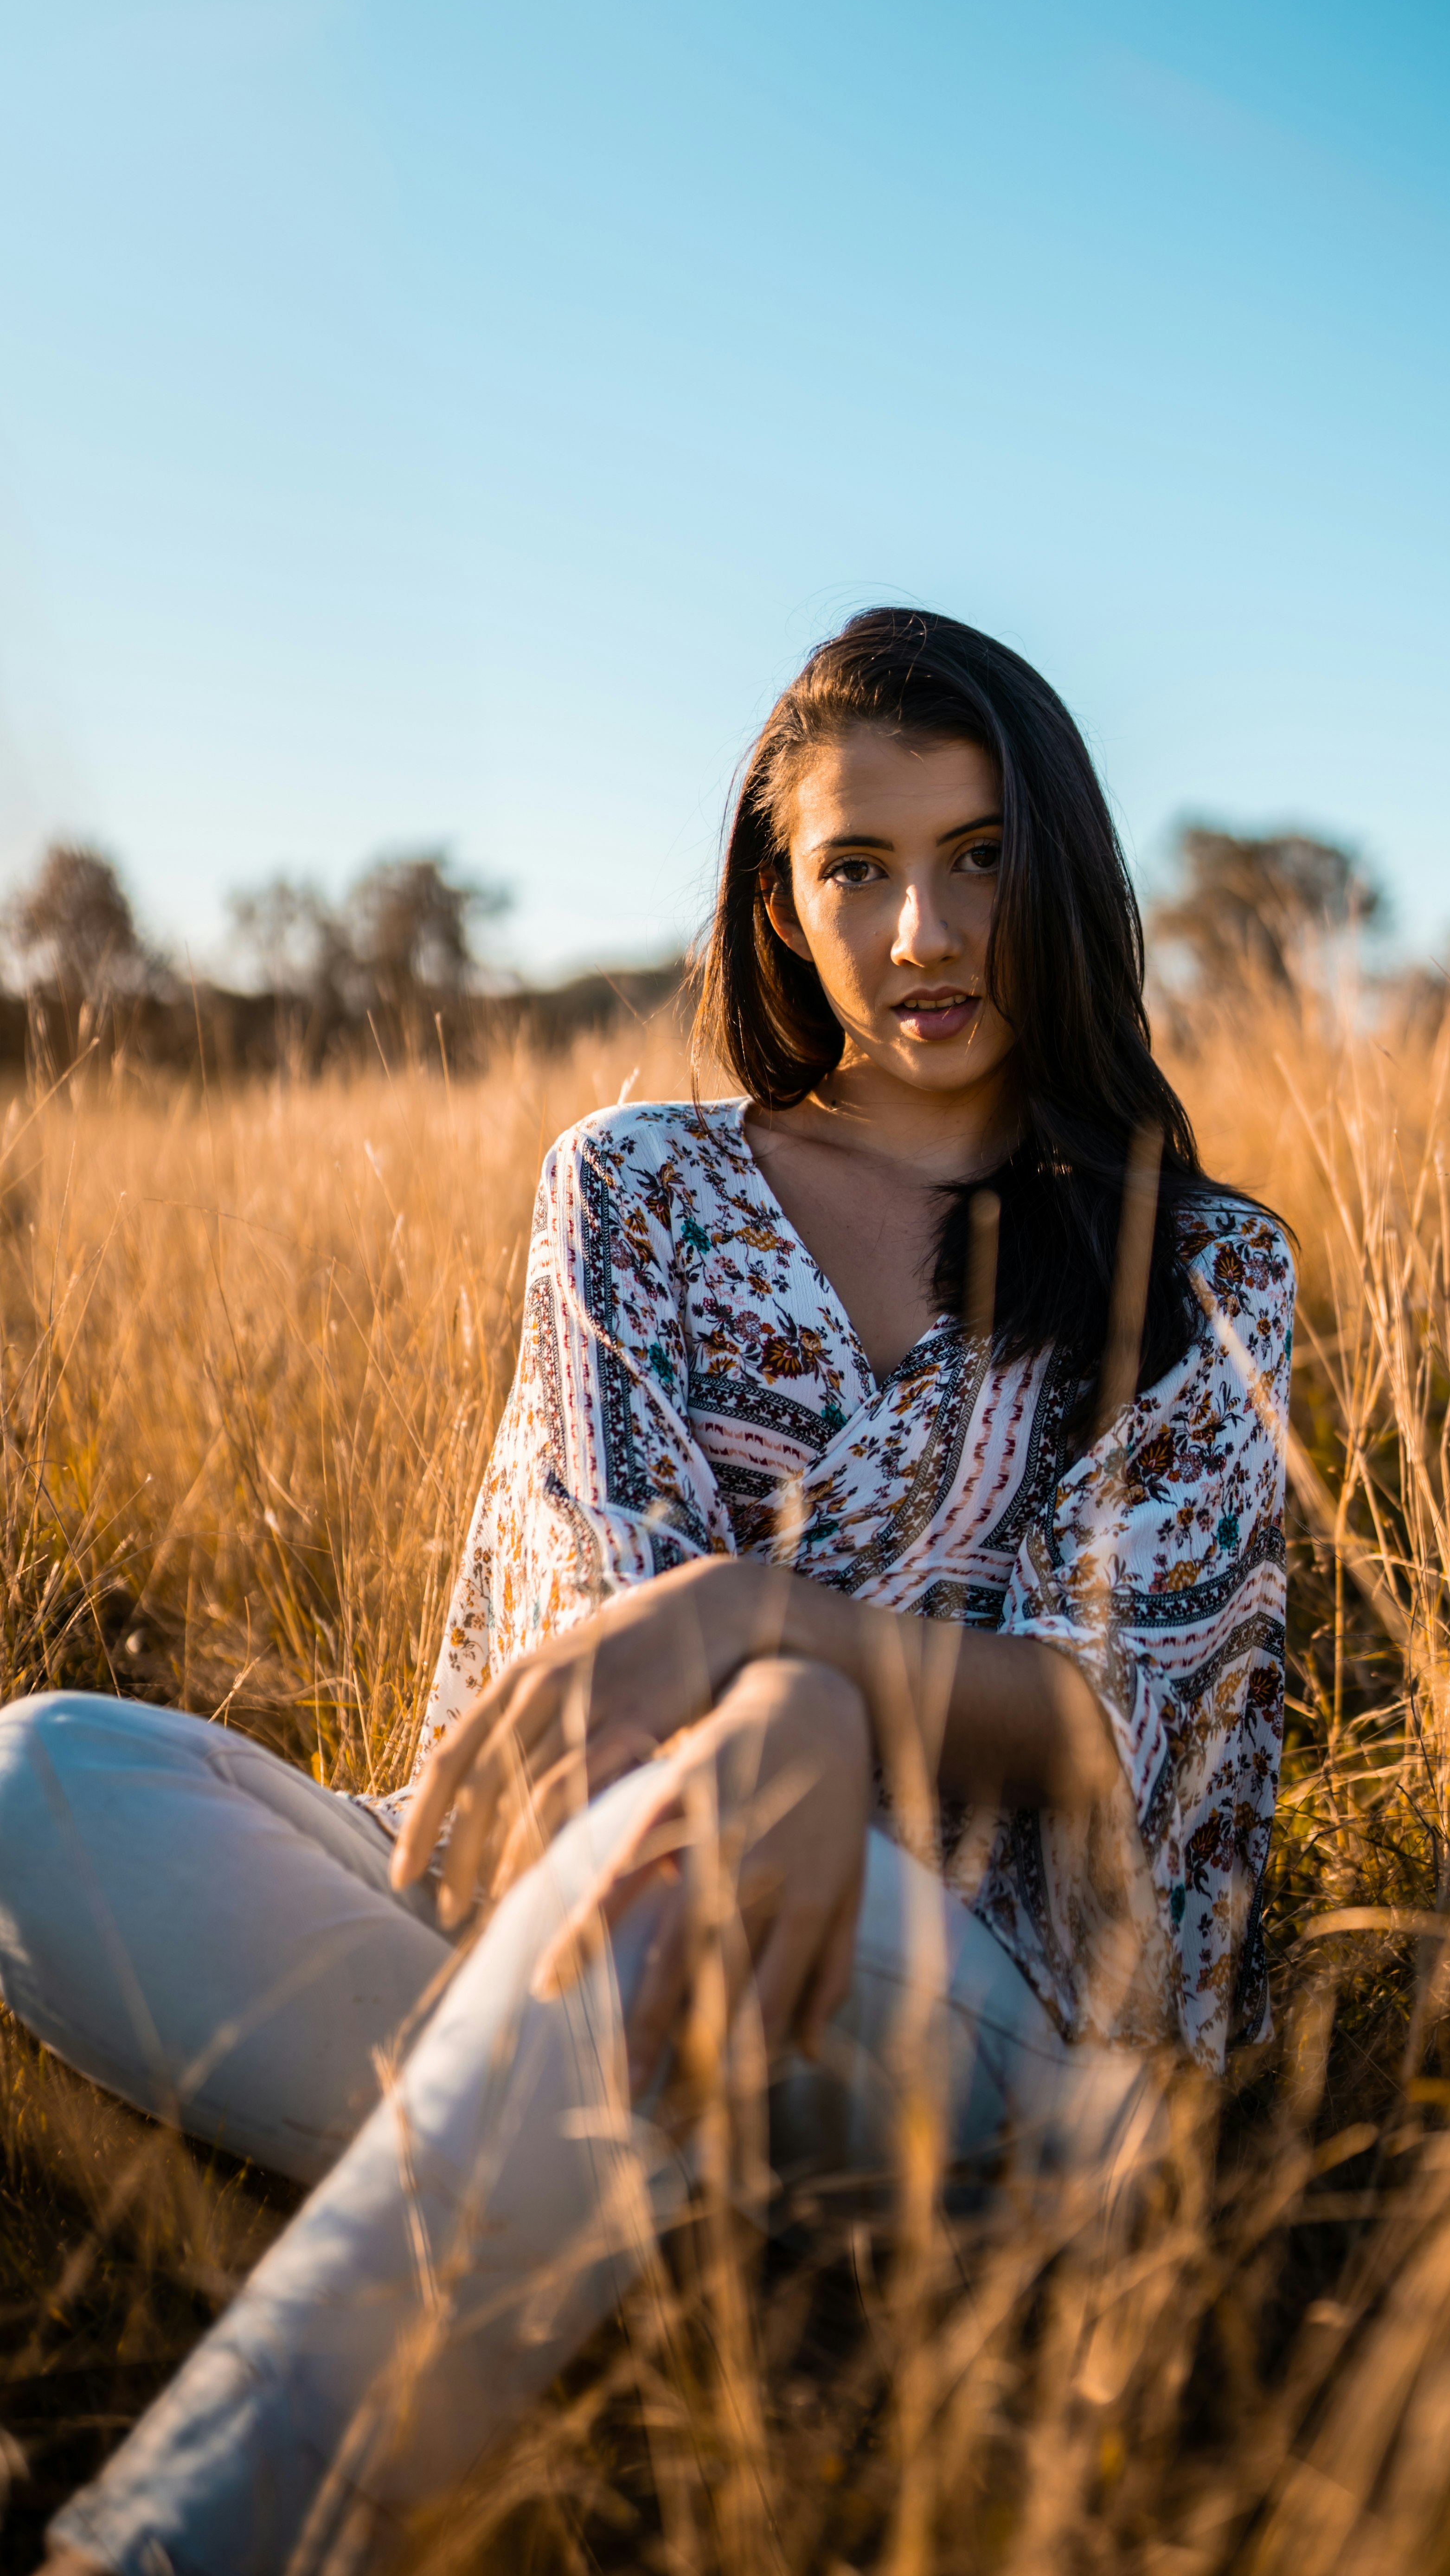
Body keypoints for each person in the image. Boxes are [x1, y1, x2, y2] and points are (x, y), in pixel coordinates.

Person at [6, 609, 1294, 2576]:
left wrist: (794, 1657)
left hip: (971, 2007)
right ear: (779, 904)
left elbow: (1135, 1717)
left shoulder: (1201, 1266)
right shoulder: (639, 1188)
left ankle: (182, 2535)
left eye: (979, 857)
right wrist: (752, 1687)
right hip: (579, 1895)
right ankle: (635, 2192)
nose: (925, 933)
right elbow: (603, 1610)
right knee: (41, 1780)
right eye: (856, 866)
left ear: (1064, 879)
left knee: (674, 1854)